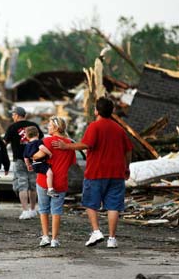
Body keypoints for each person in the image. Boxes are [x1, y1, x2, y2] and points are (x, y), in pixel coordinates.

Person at [53, 97, 133, 248]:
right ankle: (112, 239)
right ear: (112, 111)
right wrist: (126, 167)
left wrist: (66, 146)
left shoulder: (94, 126)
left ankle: (96, 231)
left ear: (96, 111)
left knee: (90, 203)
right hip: (116, 173)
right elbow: (128, 150)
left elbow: (85, 144)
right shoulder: (119, 129)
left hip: (96, 172)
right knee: (114, 206)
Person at [32, 116, 76, 247]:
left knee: (43, 209)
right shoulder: (69, 143)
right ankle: (55, 240)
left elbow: (37, 156)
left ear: (56, 127)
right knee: (56, 210)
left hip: (43, 180)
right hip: (61, 181)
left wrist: (33, 156)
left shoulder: (47, 141)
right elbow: (71, 164)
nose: (48, 127)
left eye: (50, 125)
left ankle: (45, 236)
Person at [3, 106, 43, 220]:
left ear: (16, 115)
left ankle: (25, 211)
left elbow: (4, 143)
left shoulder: (12, 127)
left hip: (20, 159)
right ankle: (33, 209)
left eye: (12, 115)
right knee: (33, 185)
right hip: (34, 159)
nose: (12, 117)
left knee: (22, 185)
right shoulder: (34, 125)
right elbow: (41, 139)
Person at [23, 126, 58, 198]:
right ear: (38, 134)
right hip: (41, 163)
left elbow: (25, 158)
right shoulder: (38, 142)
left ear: (27, 136)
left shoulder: (27, 145)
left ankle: (45, 188)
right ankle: (50, 189)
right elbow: (42, 148)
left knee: (42, 175)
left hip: (34, 165)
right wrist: (49, 153)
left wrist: (28, 166)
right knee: (50, 173)